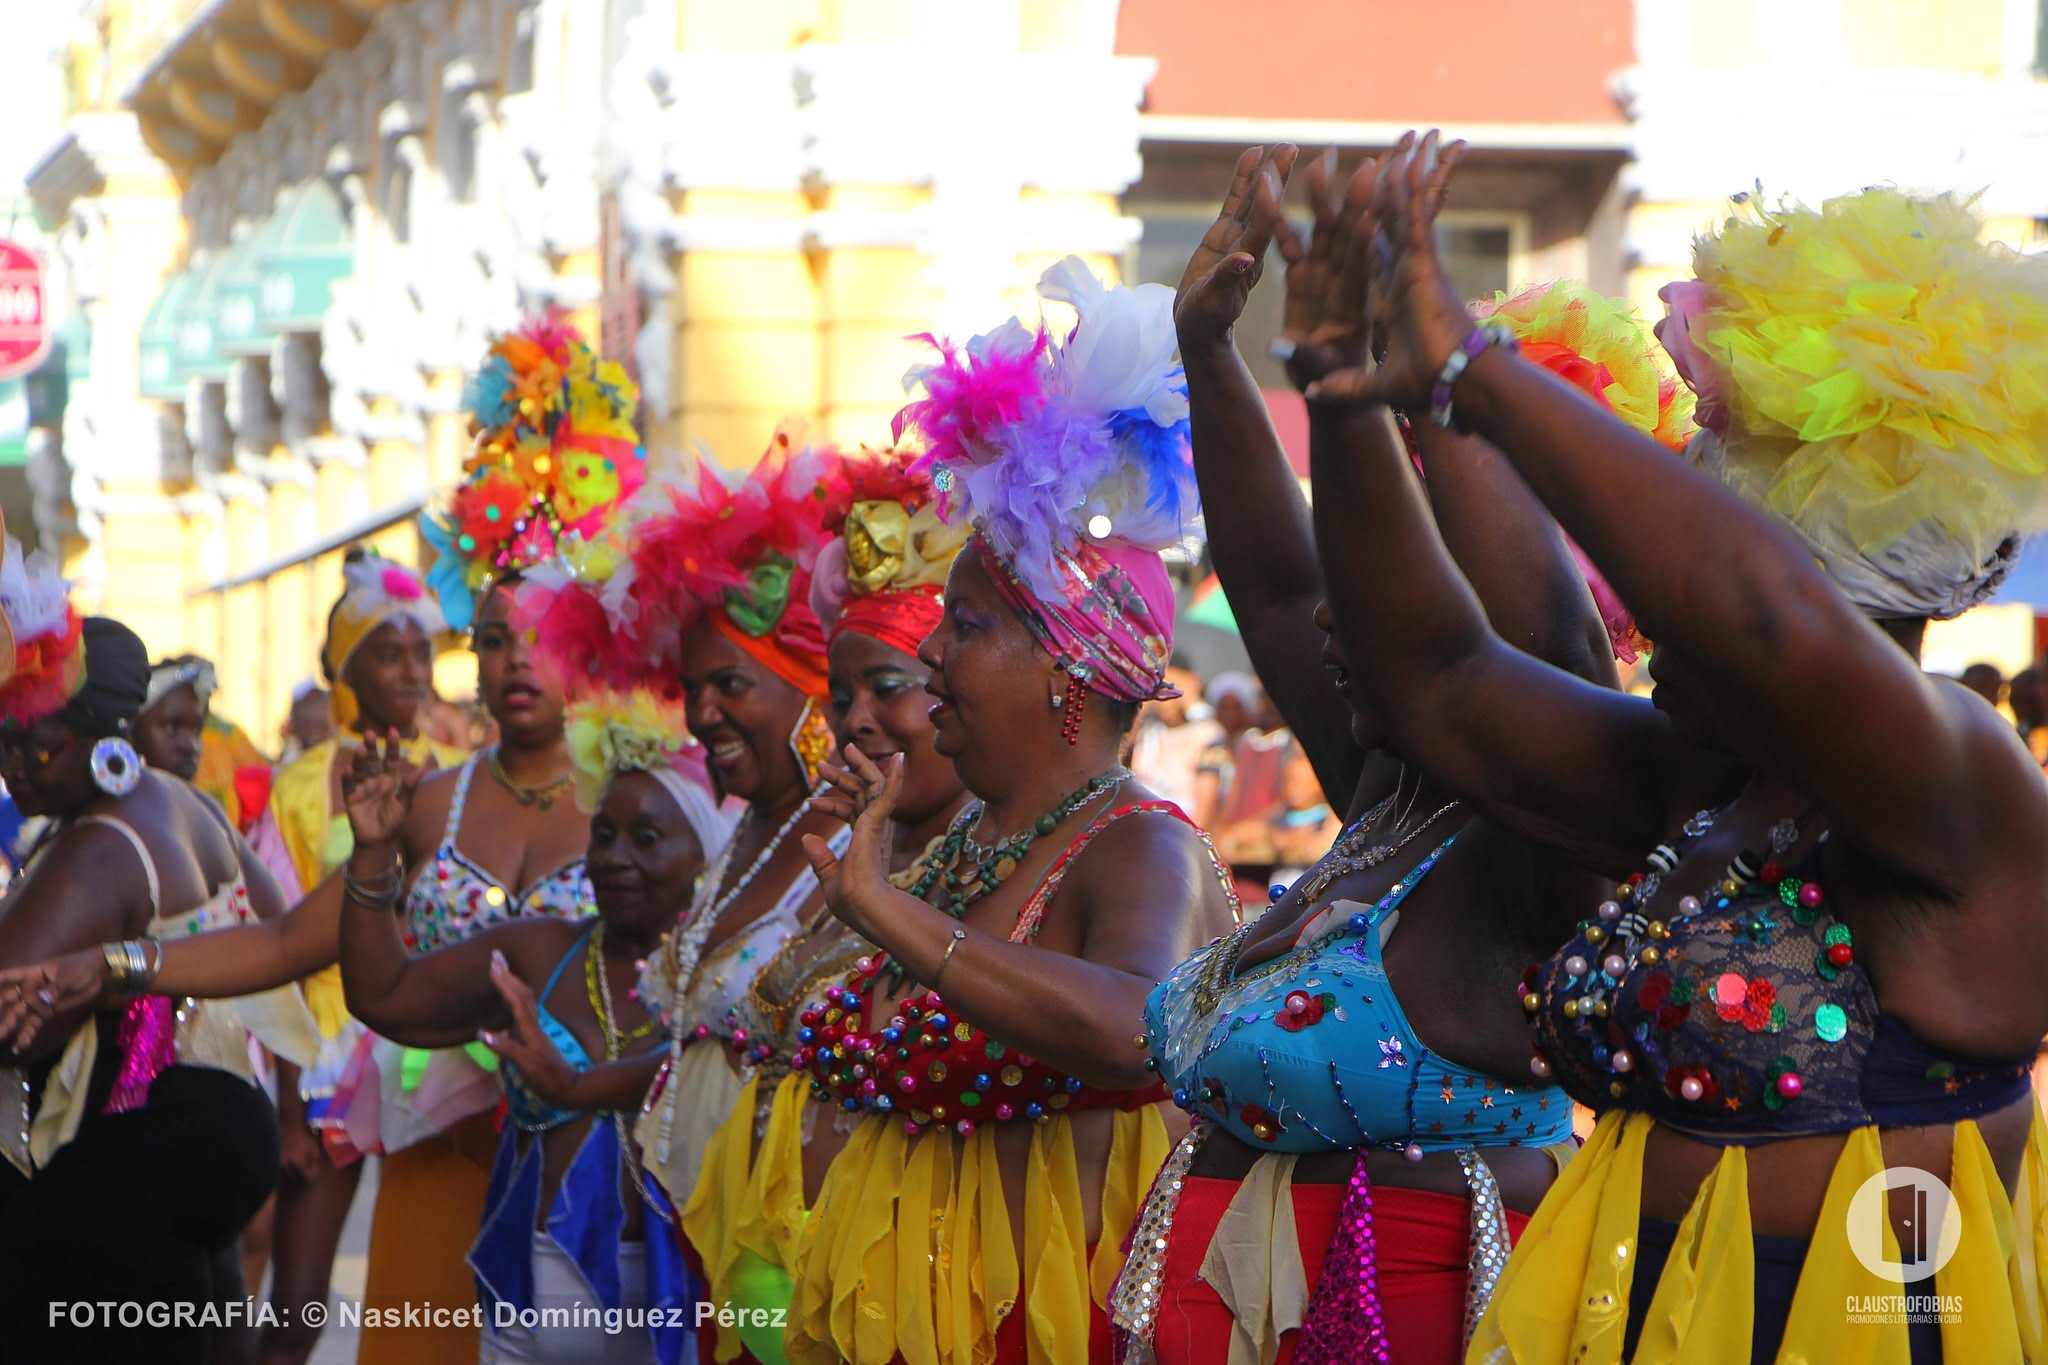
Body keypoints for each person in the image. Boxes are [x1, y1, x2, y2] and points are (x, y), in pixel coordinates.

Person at [1309, 133, 2048, 1360]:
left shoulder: (1960, 778)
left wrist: (1476, 372)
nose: (1651, 635)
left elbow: (1758, 619)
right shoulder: (1703, 788)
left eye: (1676, 613)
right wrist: (1352, 389)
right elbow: (1438, 682)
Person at [1114, 145, 1670, 1364]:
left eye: (1380, 587)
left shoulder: (1550, 822)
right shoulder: (1387, 784)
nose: (1332, 615)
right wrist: (1209, 347)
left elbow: (1553, 643)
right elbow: (1269, 581)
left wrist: (1425, 378)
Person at [778, 257, 1241, 1363]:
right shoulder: (962, 845)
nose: (931, 653)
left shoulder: (1140, 851)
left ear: (1065, 669)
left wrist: (884, 910)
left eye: (969, 625)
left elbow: (1136, 1029)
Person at [678, 448, 973, 1363]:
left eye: (888, 689)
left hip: (900, 1302)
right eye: (842, 697)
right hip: (767, 1281)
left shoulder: (997, 873)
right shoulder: (853, 855)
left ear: (956, 693)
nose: (855, 721)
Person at [522, 427, 855, 1236]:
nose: (703, 714)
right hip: (694, 1244)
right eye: (692, 687)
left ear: (810, 685)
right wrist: (578, 1086)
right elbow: (701, 1045)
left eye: (731, 684)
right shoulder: (746, 834)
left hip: (789, 1248)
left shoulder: (856, 841)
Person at [337, 696, 727, 1365]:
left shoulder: (728, 979)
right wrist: (374, 853)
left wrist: (580, 1084)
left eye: (647, 838)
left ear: (704, 854)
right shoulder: (541, 953)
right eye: (602, 836)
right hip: (529, 1313)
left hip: (687, 1312)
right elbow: (385, 994)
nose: (615, 858)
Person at [0, 546, 291, 1364]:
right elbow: (269, 922)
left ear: (105, 739)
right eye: (3, 743)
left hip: (109, 1182)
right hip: (196, 1160)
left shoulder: (96, 850)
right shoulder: (183, 804)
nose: (13, 765)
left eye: (37, 746)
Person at [1129, 661, 1223, 819]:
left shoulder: (1207, 734)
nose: (1166, 701)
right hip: (1141, 823)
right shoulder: (1149, 730)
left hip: (1179, 826)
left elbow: (1205, 803)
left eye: (1172, 688)